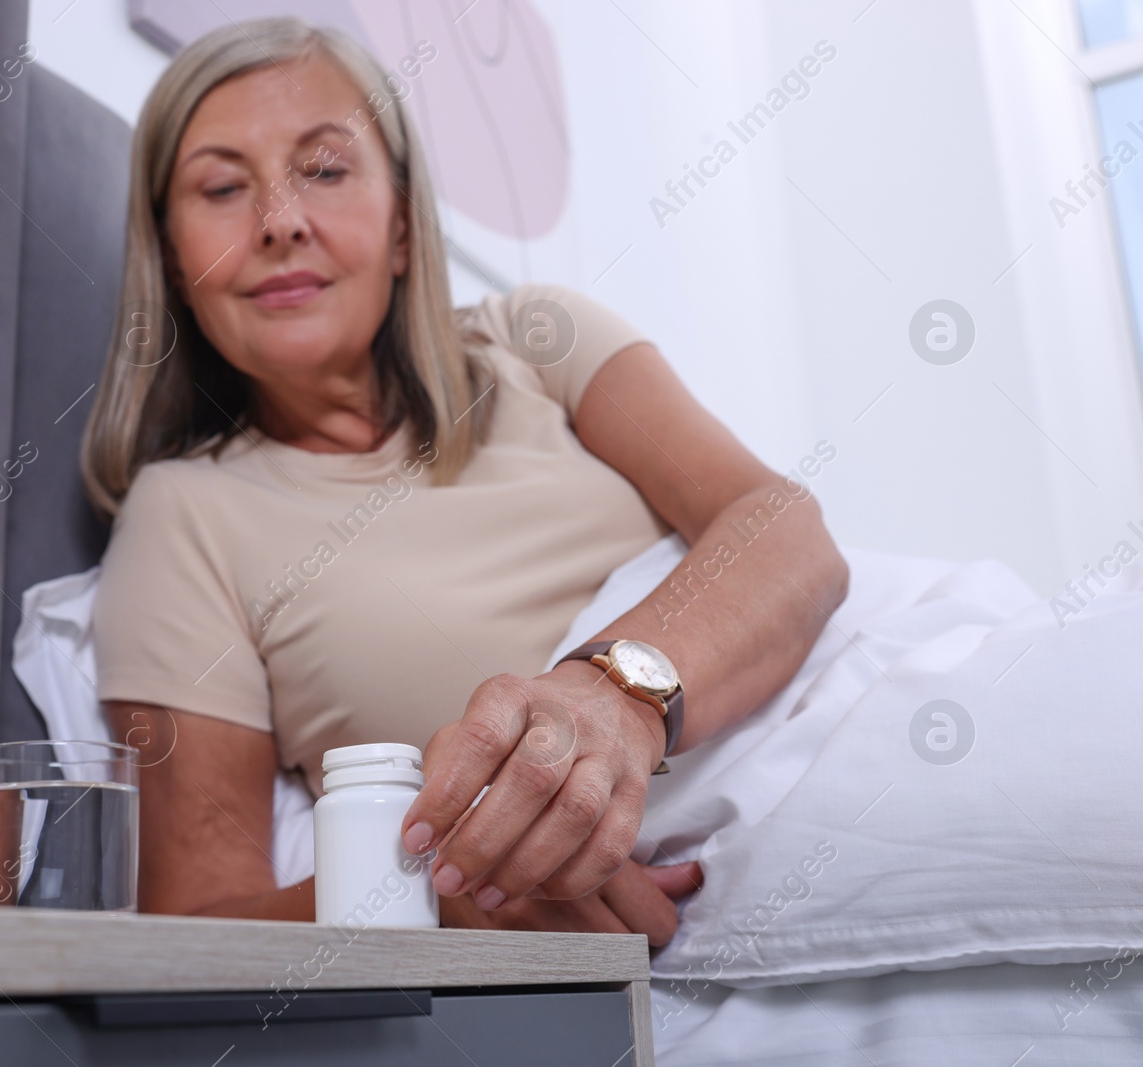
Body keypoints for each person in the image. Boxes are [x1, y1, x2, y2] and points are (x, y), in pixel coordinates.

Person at [84, 18, 847, 941]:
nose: (280, 221)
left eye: (325, 170)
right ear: (171, 256)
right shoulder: (185, 517)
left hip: (838, 716)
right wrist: (463, 885)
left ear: (403, 225)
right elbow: (197, 924)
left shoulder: (537, 338)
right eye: (220, 187)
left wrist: (612, 700)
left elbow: (783, 529)